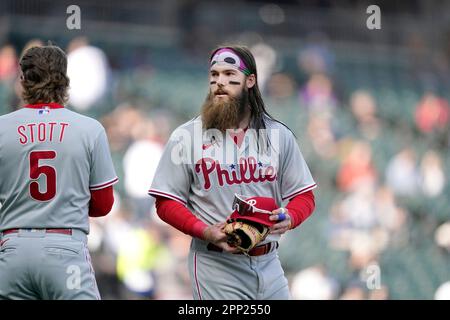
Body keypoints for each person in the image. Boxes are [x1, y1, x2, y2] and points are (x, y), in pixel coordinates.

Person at [149, 45, 316, 300]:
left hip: (269, 261)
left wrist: (290, 216)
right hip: (216, 264)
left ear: (250, 81)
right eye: (214, 75)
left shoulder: (278, 135)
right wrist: (204, 230)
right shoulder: (187, 136)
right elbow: (166, 202)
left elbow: (304, 196)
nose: (219, 82)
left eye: (229, 74)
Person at [0, 45, 118, 299]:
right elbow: (104, 204)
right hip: (65, 248)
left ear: (23, 82)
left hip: (12, 249)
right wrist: (66, 201)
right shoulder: (89, 128)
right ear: (65, 82)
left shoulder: (1, 128)